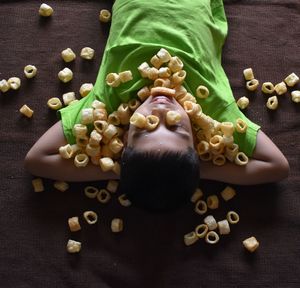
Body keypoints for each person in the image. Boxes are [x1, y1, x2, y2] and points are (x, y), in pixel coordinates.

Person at [24, 0, 289, 211]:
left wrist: (126, 172)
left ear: (124, 140)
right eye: (177, 127)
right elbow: (277, 166)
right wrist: (189, 171)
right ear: (198, 146)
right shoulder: (214, 112)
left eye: (143, 128)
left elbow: (37, 160)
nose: (161, 111)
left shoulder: (106, 104)